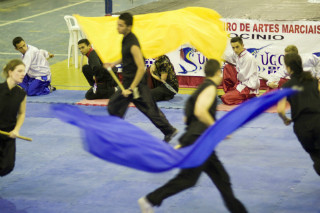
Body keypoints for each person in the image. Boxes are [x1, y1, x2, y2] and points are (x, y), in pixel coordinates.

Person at [138, 59, 248, 213]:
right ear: (218, 73)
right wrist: (216, 128)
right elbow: (200, 111)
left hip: (201, 142)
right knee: (188, 180)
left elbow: (186, 117)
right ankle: (150, 200)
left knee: (222, 180)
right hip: (199, 142)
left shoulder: (198, 90)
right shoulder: (209, 88)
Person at [104, 12, 177, 142]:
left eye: (120, 26)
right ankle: (116, 133)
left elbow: (141, 68)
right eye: (118, 25)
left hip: (136, 85)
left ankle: (169, 130)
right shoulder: (125, 39)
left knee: (149, 110)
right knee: (114, 105)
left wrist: (131, 88)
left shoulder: (133, 44)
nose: (118, 28)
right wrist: (113, 63)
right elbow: (126, 57)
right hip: (128, 83)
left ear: (129, 27)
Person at [277, 53, 320, 177]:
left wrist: (286, 119)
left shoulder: (286, 86)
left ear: (289, 68)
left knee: (316, 157)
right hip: (318, 120)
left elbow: (280, 109)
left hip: (302, 126)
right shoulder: (312, 80)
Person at [0, 59, 27, 177]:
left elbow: (21, 113)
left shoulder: (21, 93)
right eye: (19, 71)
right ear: (10, 72)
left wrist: (16, 129)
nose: (23, 74)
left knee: (7, 166)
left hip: (9, 133)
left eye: (24, 71)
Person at [221, 37, 260, 105]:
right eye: (233, 48)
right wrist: (211, 52)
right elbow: (227, 58)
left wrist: (237, 86)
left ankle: (249, 98)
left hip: (247, 85)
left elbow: (243, 77)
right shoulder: (237, 54)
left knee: (225, 98)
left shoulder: (248, 58)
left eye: (237, 47)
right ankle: (232, 93)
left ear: (242, 45)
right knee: (228, 67)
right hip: (241, 81)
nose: (235, 50)